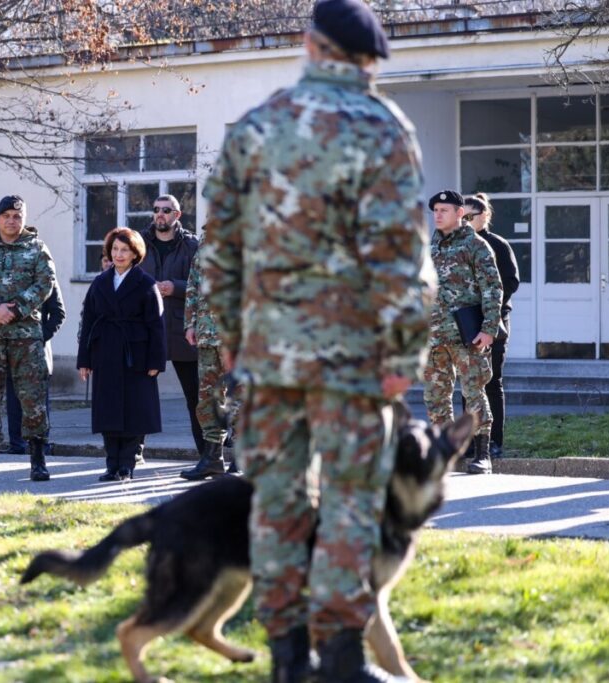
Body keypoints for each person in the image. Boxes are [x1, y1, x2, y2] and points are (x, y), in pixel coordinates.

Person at [201, 1, 436, 679]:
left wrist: (230, 336)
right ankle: (338, 657)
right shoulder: (382, 126)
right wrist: (403, 355)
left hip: (269, 355)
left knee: (274, 504)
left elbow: (220, 246)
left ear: (309, 45)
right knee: (351, 504)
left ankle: (285, 657)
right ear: (366, 60)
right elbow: (398, 255)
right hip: (354, 360)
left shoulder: (256, 125)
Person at [0, 195, 56, 483]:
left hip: (26, 337)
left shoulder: (36, 247)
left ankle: (38, 459)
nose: (11, 220)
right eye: (6, 215)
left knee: (33, 400)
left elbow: (45, 283)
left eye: (17, 216)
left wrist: (17, 308)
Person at [78, 228, 166, 481]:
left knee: (134, 411)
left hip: (135, 355)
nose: (118, 254)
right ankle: (111, 464)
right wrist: (84, 359)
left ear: (134, 253)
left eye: (124, 250)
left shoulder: (146, 284)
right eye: (115, 249)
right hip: (104, 352)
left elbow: (156, 326)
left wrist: (155, 361)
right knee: (108, 410)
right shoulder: (100, 282)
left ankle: (127, 464)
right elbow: (89, 322)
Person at [425, 190, 502, 475]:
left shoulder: (476, 245)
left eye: (444, 210)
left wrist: (489, 329)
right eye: (435, 210)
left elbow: (493, 288)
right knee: (436, 397)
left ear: (460, 213)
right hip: (434, 336)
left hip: (467, 335)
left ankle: (482, 454)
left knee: (474, 392)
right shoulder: (430, 248)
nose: (437, 215)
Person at [138, 194, 205, 456]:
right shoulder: (140, 242)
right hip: (148, 328)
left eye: (166, 210)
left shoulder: (191, 245)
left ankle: (206, 454)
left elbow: (203, 285)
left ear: (177, 215)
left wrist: (174, 287)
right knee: (141, 394)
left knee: (196, 397)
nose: (160, 215)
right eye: (156, 210)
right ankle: (134, 452)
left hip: (182, 330)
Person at [464, 193, 519, 460]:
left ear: (485, 215)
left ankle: (493, 442)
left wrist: (487, 310)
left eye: (470, 216)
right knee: (467, 385)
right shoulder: (456, 244)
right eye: (462, 216)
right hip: (464, 324)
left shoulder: (497, 244)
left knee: (491, 383)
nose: (465, 221)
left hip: (493, 323)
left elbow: (510, 283)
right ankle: (469, 443)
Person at [180, 237, 240, 480]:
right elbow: (193, 284)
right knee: (207, 398)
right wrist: (189, 324)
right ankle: (212, 458)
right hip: (206, 334)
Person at [4, 282, 65, 455]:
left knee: (38, 402)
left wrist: (39, 338)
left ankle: (40, 446)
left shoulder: (44, 275)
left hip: (37, 352)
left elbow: (58, 314)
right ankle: (16, 444)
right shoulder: (8, 273)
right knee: (13, 399)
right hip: (10, 347)